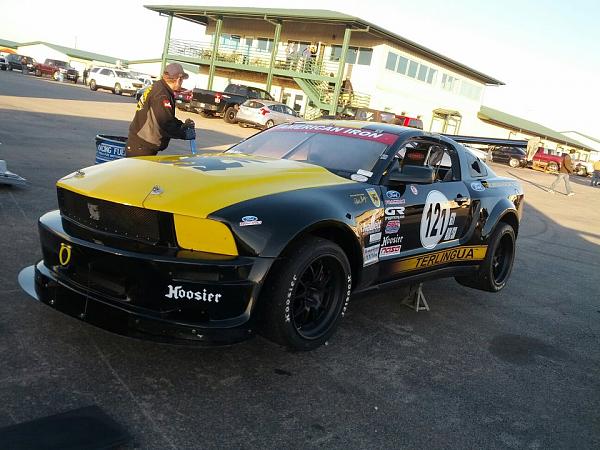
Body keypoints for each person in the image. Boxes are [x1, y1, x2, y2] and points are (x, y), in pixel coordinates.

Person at [126, 63, 195, 157]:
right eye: (182, 80)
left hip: (139, 143)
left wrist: (182, 126)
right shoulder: (162, 95)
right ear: (179, 79)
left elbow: (166, 117)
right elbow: (165, 123)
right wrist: (184, 134)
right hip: (142, 146)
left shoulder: (158, 88)